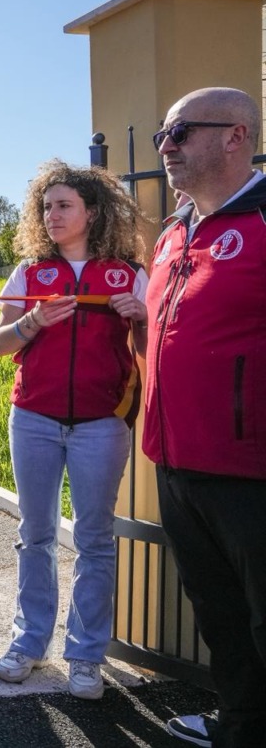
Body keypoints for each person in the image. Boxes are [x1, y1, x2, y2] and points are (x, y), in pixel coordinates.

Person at [0, 161, 147, 700]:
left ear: (92, 213)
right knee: (34, 534)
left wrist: (143, 318)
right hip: (33, 419)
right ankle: (29, 643)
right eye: (46, 206)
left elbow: (152, 352)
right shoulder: (30, 272)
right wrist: (31, 322)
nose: (52, 215)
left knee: (94, 540)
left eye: (64, 206)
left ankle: (85, 655)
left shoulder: (128, 274)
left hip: (101, 426)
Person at [145, 86, 266, 746]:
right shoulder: (172, 231)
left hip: (250, 468)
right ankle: (242, 726)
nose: (167, 146)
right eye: (165, 134)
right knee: (218, 612)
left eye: (181, 132)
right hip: (177, 460)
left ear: (235, 136)